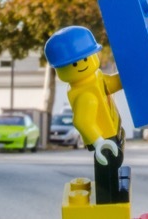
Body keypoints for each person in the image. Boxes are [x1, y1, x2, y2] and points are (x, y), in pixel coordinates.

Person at [44, 26, 130, 205]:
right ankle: (110, 203)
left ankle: (115, 198)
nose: (81, 64)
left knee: (114, 170)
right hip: (105, 142)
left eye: (85, 58)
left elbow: (111, 83)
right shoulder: (84, 94)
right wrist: (98, 142)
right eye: (75, 63)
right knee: (108, 174)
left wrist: (127, 77)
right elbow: (81, 121)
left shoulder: (96, 78)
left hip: (112, 137)